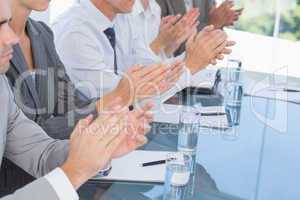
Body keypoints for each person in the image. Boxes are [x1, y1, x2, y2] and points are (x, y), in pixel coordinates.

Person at [2, 0, 182, 194]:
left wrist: (100, 146)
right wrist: (116, 99)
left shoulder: (40, 35)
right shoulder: (74, 30)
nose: (11, 37)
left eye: (6, 24)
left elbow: (43, 147)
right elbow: (38, 136)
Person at [52, 0, 229, 104]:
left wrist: (193, 54)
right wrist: (190, 66)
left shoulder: (122, 19)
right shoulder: (76, 33)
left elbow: (148, 68)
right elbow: (124, 98)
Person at [156, 0, 242, 55]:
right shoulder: (156, 3)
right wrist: (212, 23)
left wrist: (220, 22)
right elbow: (164, 49)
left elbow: (212, 41)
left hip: (200, 72)